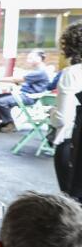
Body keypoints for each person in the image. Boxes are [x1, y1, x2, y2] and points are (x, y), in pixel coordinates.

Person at [51, 24, 82, 193]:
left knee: (72, 204)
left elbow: (63, 117)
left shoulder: (73, 73)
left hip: (72, 145)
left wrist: (51, 113)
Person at [0, 49, 52, 131]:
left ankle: (9, 123)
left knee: (1, 101)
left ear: (39, 58)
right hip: (25, 94)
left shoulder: (40, 72)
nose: (28, 60)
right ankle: (2, 121)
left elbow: (17, 79)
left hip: (29, 97)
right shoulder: (39, 71)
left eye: (31, 58)